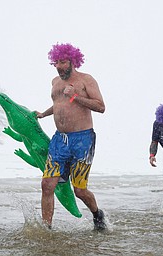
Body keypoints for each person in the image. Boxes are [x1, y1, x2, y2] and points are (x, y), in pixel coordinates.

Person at [35, 43, 106, 230]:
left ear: (73, 61)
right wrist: (44, 113)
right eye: (56, 62)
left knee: (80, 190)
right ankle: (46, 228)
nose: (59, 66)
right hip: (60, 140)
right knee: (47, 185)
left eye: (63, 62)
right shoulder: (55, 83)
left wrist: (75, 96)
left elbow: (101, 107)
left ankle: (97, 214)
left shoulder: (86, 80)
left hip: (83, 140)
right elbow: (60, 105)